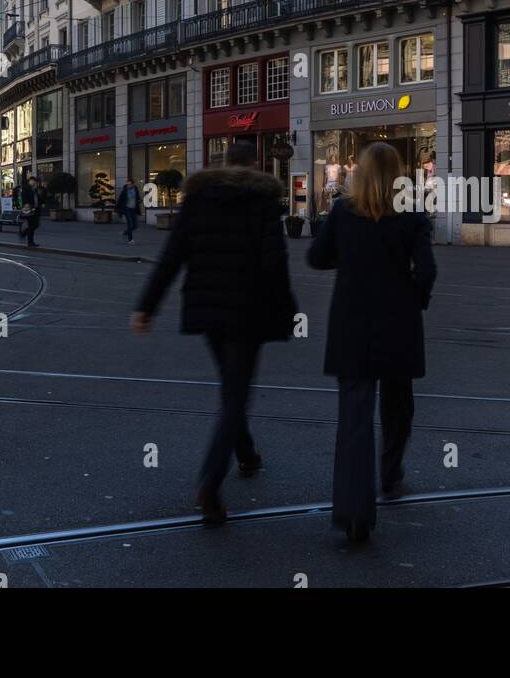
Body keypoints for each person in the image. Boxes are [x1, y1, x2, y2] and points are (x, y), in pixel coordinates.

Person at [130, 141, 297, 526]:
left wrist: (147, 305)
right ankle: (210, 480)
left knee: (230, 386)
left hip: (207, 308)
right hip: (248, 310)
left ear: (223, 163)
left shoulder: (199, 198)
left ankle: (247, 453)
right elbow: (275, 261)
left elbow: (173, 254)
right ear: (254, 164)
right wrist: (288, 310)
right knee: (235, 394)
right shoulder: (263, 200)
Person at [307, 142, 437, 548]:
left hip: (352, 324)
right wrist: (415, 298)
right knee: (399, 403)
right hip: (397, 323)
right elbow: (427, 270)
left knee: (354, 419)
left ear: (359, 173)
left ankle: (354, 512)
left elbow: (316, 257)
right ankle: (390, 472)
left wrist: (349, 258)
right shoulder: (412, 214)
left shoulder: (343, 211)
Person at [114, 178, 143, 243]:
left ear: (133, 184)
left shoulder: (135, 190)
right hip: (127, 209)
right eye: (127, 184)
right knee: (130, 224)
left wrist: (139, 200)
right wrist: (117, 209)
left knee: (135, 226)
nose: (128, 185)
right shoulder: (124, 191)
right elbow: (119, 201)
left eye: (130, 184)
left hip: (133, 209)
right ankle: (130, 239)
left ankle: (125, 232)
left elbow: (137, 197)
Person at [19, 176, 42, 248]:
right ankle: (29, 241)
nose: (34, 182)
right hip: (29, 209)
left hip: (35, 210)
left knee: (34, 225)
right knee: (33, 225)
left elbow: (37, 198)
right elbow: (25, 199)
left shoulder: (34, 189)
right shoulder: (27, 189)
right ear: (30, 181)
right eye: (33, 181)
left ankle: (25, 236)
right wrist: (27, 206)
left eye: (35, 181)